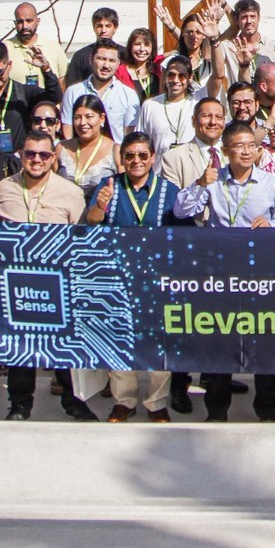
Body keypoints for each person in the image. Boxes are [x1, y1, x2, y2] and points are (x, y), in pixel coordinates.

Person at [178, 124, 275, 421]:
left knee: (266, 344)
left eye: (250, 146)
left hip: (260, 276)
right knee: (220, 344)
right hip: (221, 275)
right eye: (238, 146)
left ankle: (267, 410)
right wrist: (201, 183)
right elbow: (182, 211)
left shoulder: (271, 184)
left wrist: (271, 226)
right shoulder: (213, 181)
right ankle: (216, 412)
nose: (245, 151)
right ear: (226, 151)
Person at [0, 130, 93, 422]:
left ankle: (73, 401)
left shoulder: (71, 192)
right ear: (21, 156)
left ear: (53, 158)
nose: (37, 160)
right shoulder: (3, 188)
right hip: (17, 285)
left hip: (58, 284)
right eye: (30, 154)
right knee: (20, 347)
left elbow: (82, 239)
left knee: (64, 347)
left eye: (44, 155)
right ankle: (20, 404)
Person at [82, 132, 173, 422]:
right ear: (122, 160)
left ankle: (157, 402)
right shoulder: (109, 186)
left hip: (157, 277)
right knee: (120, 338)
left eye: (142, 155)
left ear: (153, 158)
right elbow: (91, 222)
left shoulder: (168, 190)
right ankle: (124, 400)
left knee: (159, 342)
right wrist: (100, 205)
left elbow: (183, 231)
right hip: (117, 276)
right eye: (130, 156)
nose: (136, 161)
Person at [59, 96, 120, 196]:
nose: (82, 123)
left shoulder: (115, 151)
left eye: (89, 117)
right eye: (77, 118)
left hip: (99, 210)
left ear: (102, 118)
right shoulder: (62, 148)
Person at [139, 56, 202, 151]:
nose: (176, 80)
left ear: (190, 78)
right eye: (171, 75)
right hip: (160, 165)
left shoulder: (196, 103)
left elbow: (217, 77)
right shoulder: (150, 105)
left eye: (182, 76)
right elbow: (141, 142)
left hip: (190, 164)